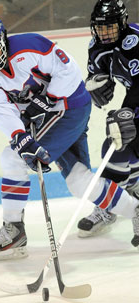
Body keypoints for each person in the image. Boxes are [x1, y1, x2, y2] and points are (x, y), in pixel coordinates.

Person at [0, 12, 139, 261]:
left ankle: (14, 230)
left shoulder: (31, 46)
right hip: (47, 118)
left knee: (12, 159)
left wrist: (47, 102)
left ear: (2, 39)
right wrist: (20, 137)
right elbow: (3, 113)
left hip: (70, 107)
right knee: (78, 181)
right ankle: (136, 210)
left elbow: (69, 71)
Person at [85, 0, 139, 245]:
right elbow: (98, 73)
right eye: (100, 27)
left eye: (110, 27)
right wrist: (94, 85)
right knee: (115, 146)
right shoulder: (97, 47)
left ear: (123, 23)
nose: (105, 32)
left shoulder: (135, 42)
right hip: (135, 103)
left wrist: (126, 110)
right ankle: (111, 206)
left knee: (122, 139)